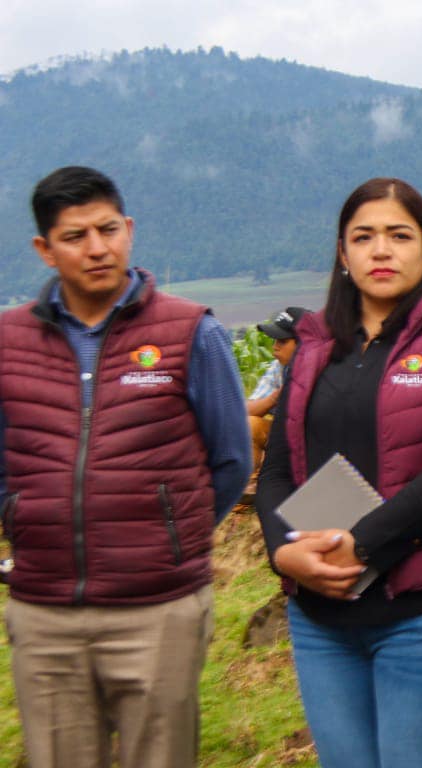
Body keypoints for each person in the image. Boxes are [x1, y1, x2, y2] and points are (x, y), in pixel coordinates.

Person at [0, 166, 252, 768]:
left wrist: (172, 534)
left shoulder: (190, 331)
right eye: (75, 236)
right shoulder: (7, 342)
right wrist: (23, 519)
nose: (96, 248)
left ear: (129, 230)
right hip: (45, 612)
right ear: (45, 249)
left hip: (158, 608)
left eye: (108, 229)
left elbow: (231, 457)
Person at [254, 178, 422, 767]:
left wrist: (360, 545)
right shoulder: (313, 345)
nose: (381, 250)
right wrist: (281, 554)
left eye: (399, 235)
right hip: (322, 619)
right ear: (343, 254)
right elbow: (279, 470)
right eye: (363, 237)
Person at [245, 306, 306, 487]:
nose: (275, 347)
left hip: (316, 442)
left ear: (303, 343)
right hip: (286, 435)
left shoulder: (326, 369)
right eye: (275, 340)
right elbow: (246, 409)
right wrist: (278, 396)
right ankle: (250, 484)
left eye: (282, 341)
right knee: (250, 424)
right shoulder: (280, 367)